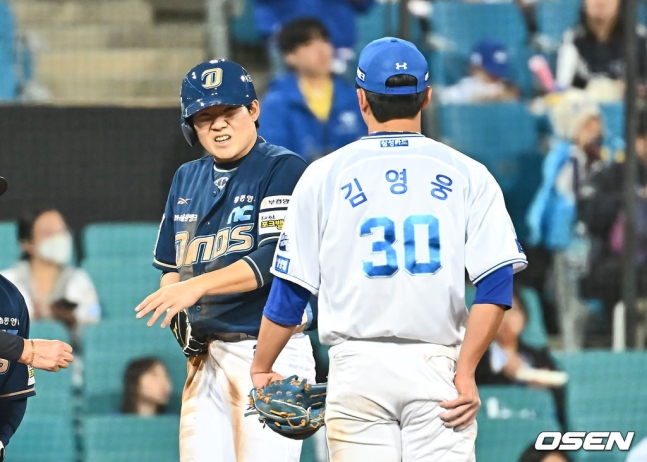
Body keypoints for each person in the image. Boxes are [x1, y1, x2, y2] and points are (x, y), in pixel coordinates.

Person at [250, 37, 528, 461]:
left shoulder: (322, 176)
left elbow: (290, 292)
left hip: (356, 369)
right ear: (427, 97)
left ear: (361, 99)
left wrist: (262, 365)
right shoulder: (470, 174)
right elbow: (496, 286)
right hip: (437, 367)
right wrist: (467, 371)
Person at [135, 59, 316, 462]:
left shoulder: (283, 167)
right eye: (205, 116)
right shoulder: (186, 177)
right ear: (191, 126)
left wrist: (194, 288)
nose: (218, 125)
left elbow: (275, 256)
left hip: (269, 352)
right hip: (206, 357)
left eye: (229, 112)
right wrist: (178, 310)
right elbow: (170, 266)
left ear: (253, 110)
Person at [0, 176, 73, 462]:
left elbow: (14, 393)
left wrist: (1, 439)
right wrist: (24, 349)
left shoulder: (10, 298)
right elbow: (23, 352)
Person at [526, 90, 605, 351]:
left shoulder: (599, 155)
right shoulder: (564, 157)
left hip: (591, 238)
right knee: (567, 295)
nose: (596, 130)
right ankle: (572, 347)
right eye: (588, 125)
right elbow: (564, 197)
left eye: (597, 123)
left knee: (585, 294)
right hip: (567, 240)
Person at [259, 18, 366, 163]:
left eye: (324, 41)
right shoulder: (276, 103)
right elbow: (272, 160)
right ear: (290, 56)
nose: (321, 50)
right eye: (308, 44)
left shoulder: (355, 96)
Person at [578, 108, 647, 317]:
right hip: (618, 264)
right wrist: (632, 198)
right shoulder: (613, 175)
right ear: (638, 141)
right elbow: (589, 215)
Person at [476, 287, 566, 427]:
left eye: (512, 310)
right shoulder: (475, 361)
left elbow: (561, 404)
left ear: (524, 317)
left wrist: (544, 391)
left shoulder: (540, 357)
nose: (506, 318)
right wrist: (507, 375)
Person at [1, 208, 101, 330]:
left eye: (62, 230)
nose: (58, 238)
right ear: (27, 243)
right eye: (48, 233)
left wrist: (73, 316)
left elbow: (94, 312)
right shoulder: (6, 281)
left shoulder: (79, 278)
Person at [556, 0, 647, 100]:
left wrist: (630, 89)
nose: (601, 2)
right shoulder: (572, 40)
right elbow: (562, 88)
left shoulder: (640, 38)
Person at [254, 0, 375, 74]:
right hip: (286, 34)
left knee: (340, 100)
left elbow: (365, 5)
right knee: (286, 97)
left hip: (336, 41)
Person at [440, 39, 520, 104]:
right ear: (475, 67)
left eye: (500, 73)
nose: (496, 77)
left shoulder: (507, 87)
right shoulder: (466, 87)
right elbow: (445, 98)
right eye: (490, 73)